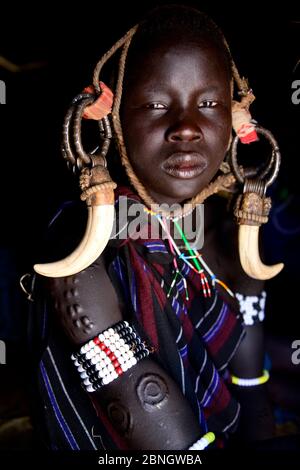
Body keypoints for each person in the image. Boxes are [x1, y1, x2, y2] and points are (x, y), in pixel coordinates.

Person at [28, 4, 279, 450]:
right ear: (112, 118)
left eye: (208, 103)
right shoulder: (82, 258)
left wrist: (261, 435)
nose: (186, 128)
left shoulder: (221, 226)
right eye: (156, 104)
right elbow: (157, 420)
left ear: (238, 121)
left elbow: (249, 370)